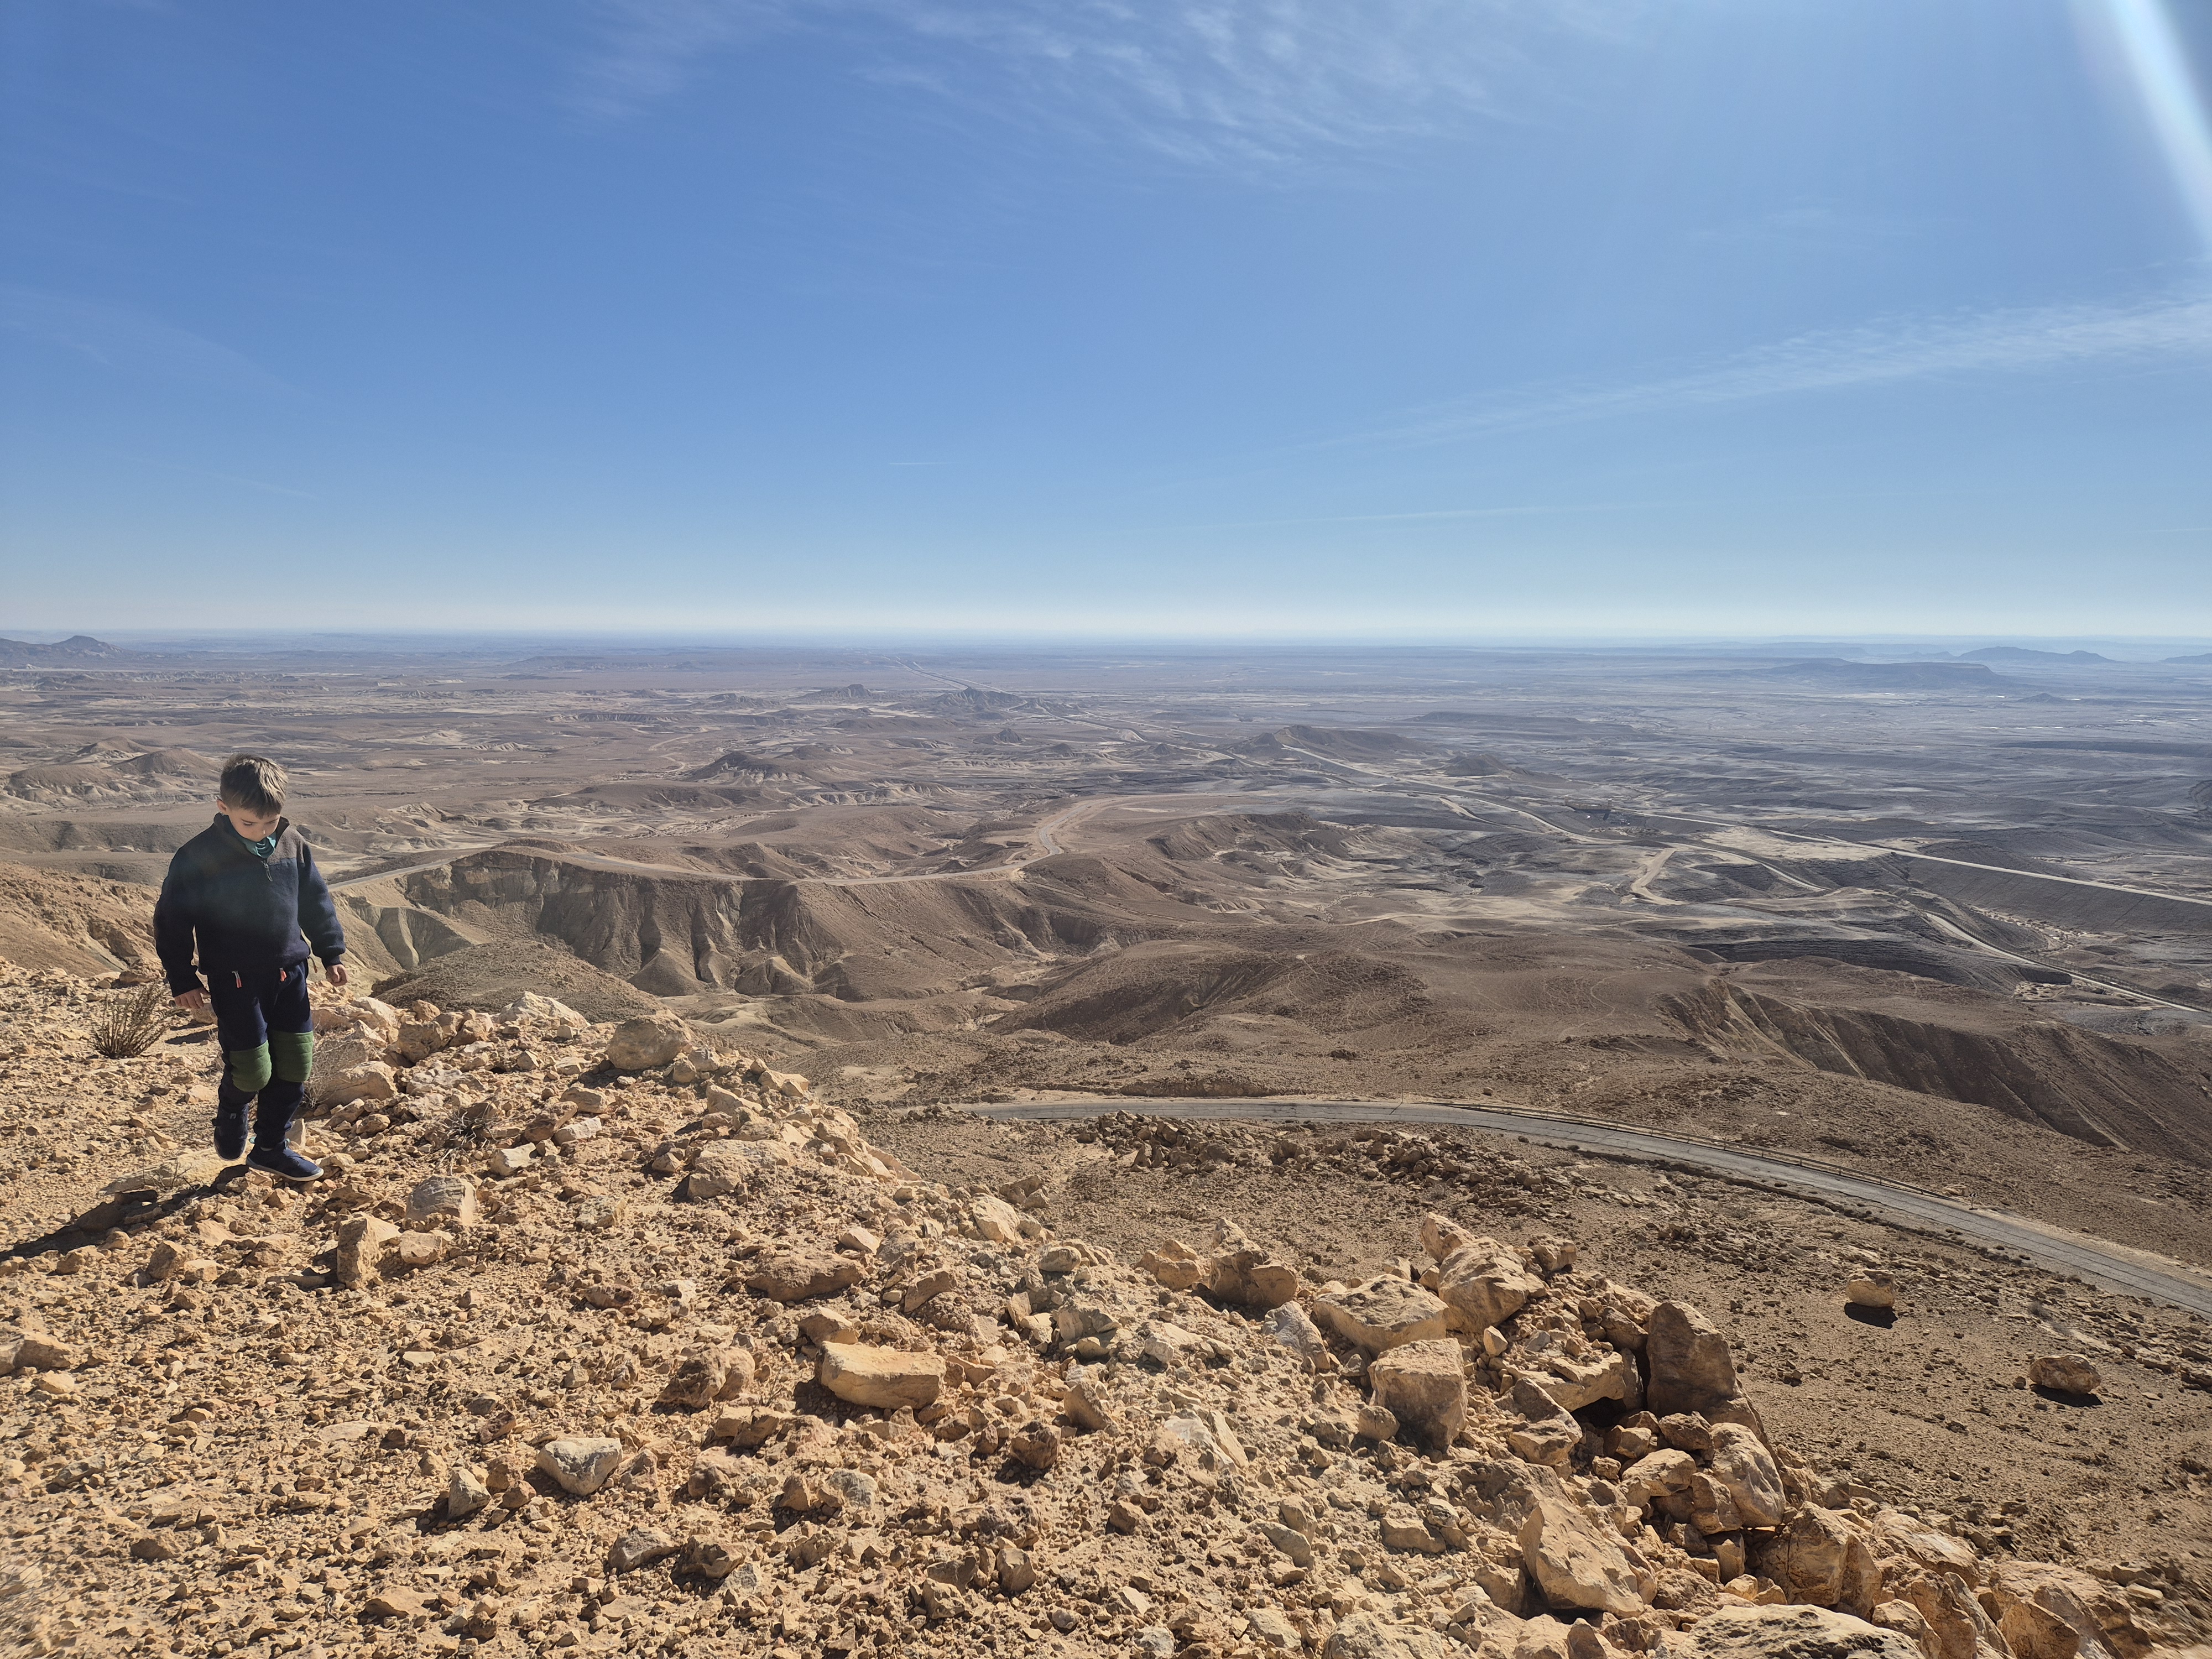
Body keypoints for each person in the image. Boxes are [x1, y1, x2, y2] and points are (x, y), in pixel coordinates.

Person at [154, 753, 349, 1180]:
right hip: (236, 981)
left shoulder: (292, 843)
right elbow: (172, 921)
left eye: (271, 822)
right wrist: (182, 978)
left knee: (296, 1065)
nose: (263, 831)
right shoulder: (197, 857)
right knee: (252, 1070)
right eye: (250, 823)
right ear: (223, 807)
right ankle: (232, 1108)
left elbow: (315, 902)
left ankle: (270, 1149)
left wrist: (331, 953)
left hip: (291, 976)